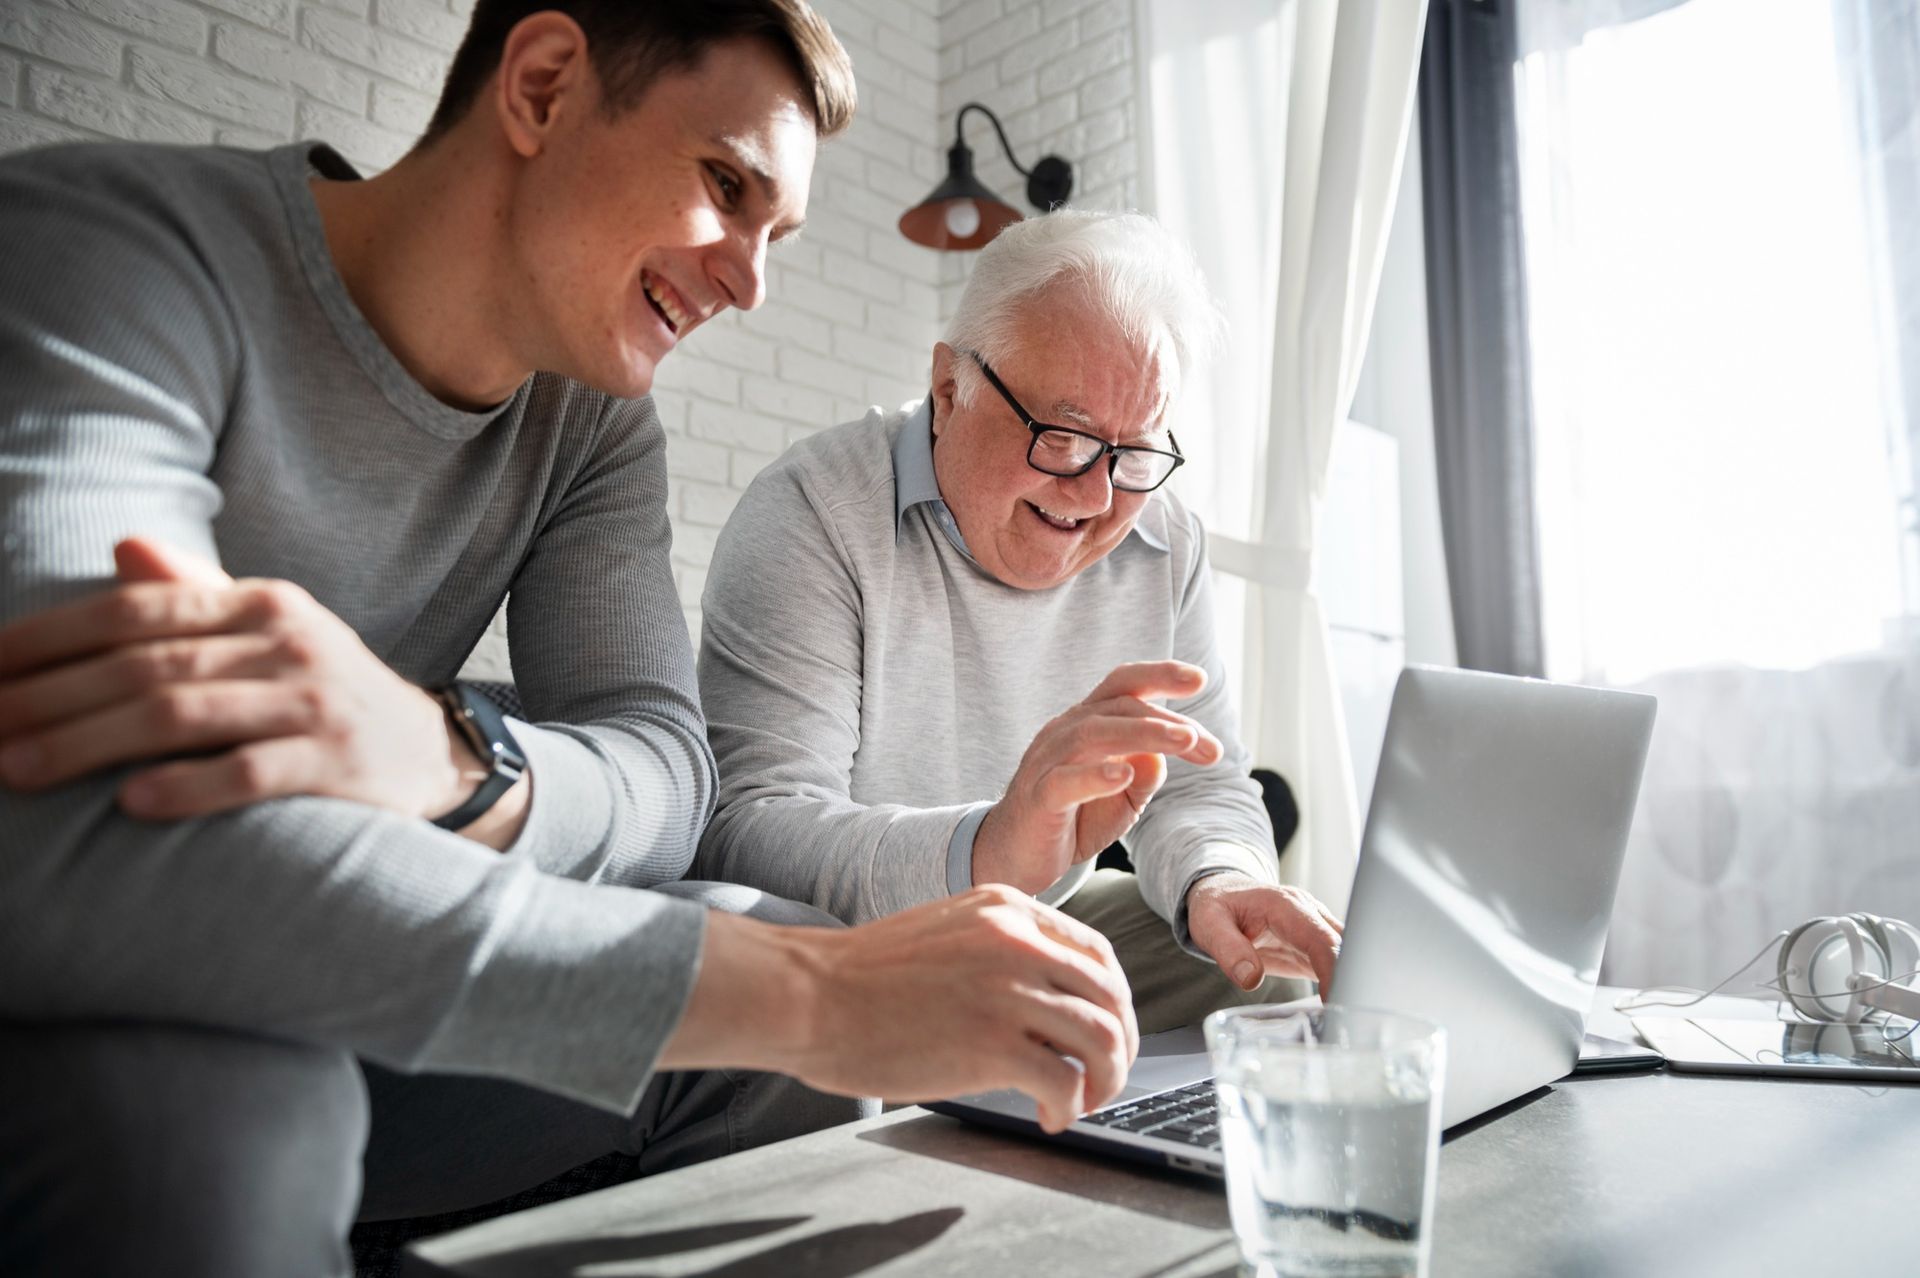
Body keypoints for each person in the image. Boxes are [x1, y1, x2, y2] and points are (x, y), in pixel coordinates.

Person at [0, 4, 1138, 1272]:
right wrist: (818, 1002)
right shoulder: (112, 255)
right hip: (93, 986)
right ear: (541, 87)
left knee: (781, 991)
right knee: (239, 1116)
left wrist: (446, 759)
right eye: (725, 186)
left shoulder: (588, 429)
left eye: (778, 234)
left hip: (392, 992)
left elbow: (666, 768)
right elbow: (85, 823)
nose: (751, 284)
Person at [696, 210, 1344, 1036]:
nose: (1098, 497)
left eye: (1135, 453)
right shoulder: (813, 513)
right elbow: (753, 831)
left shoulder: (1164, 537)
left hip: (1043, 926)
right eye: (1065, 438)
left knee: (1263, 979)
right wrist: (990, 849)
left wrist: (1219, 878)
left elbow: (1199, 782)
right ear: (947, 390)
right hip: (851, 948)